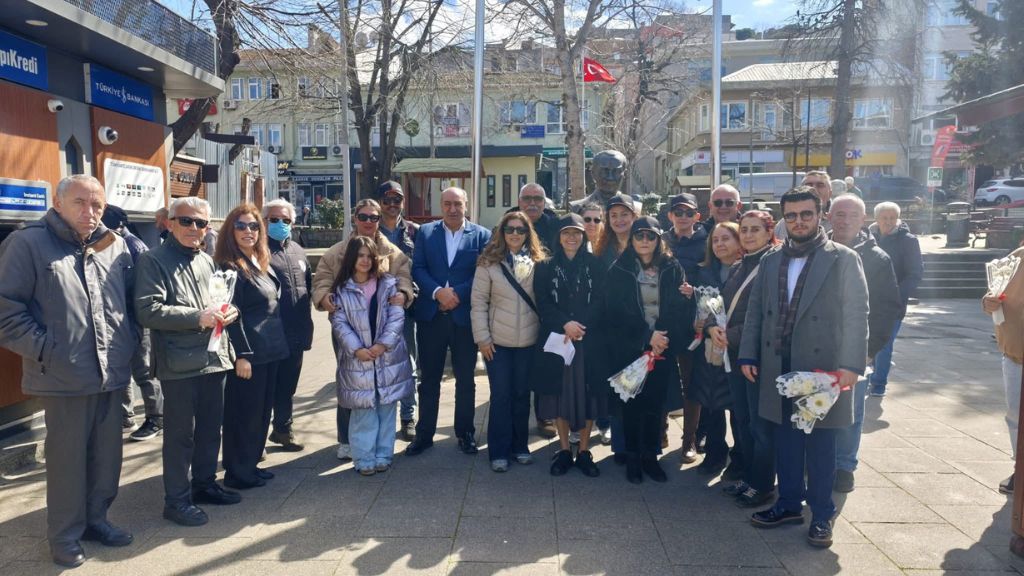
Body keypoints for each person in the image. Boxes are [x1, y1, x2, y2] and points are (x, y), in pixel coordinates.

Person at [0, 175, 138, 567]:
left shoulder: (114, 245)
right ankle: (64, 535)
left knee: (106, 458)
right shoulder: (27, 244)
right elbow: (6, 311)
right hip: (62, 378)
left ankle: (98, 520)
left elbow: (126, 306)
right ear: (58, 204)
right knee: (67, 463)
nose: (90, 212)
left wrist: (128, 347)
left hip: (111, 374)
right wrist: (47, 349)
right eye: (80, 203)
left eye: (97, 204)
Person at [740, 186, 867, 549]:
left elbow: (857, 314)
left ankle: (822, 514)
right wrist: (748, 354)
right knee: (787, 442)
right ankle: (789, 504)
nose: (799, 221)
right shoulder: (770, 260)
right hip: (777, 365)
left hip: (823, 369)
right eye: (792, 215)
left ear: (820, 214)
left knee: (822, 446)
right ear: (784, 220)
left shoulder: (842, 258)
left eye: (806, 214)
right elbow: (755, 313)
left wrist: (851, 365)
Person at [135, 197, 242, 528]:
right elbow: (147, 310)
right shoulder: (153, 261)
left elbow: (215, 303)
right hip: (179, 365)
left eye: (201, 223)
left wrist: (228, 313)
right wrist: (200, 317)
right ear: (169, 222)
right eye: (186, 221)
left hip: (214, 357)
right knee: (181, 436)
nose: (194, 229)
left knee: (211, 430)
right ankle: (177, 500)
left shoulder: (206, 261)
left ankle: (205, 484)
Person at [313, 199, 415, 460]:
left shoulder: (392, 252)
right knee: (350, 382)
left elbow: (404, 278)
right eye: (363, 216)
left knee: (384, 386)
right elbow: (322, 278)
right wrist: (325, 298)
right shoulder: (336, 251)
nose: (368, 222)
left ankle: (380, 445)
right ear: (354, 217)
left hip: (382, 331)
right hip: (348, 329)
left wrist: (404, 293)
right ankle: (347, 438)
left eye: (374, 217)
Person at [605, 216, 692, 483]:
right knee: (631, 404)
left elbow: (678, 305)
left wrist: (662, 337)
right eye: (639, 236)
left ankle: (649, 457)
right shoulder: (619, 269)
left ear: (658, 239)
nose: (645, 241)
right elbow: (616, 312)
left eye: (650, 236)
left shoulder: (672, 266)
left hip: (662, 347)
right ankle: (632, 456)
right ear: (631, 239)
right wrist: (646, 336)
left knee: (655, 405)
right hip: (631, 348)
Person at [407, 187, 492, 456]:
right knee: (428, 379)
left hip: (463, 317)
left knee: (466, 380)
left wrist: (457, 293)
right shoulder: (426, 232)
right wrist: (437, 292)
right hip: (431, 317)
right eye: (447, 204)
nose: (452, 209)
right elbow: (417, 267)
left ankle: (465, 432)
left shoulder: (482, 235)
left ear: (466, 205)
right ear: (440, 205)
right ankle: (424, 434)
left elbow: (483, 271)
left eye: (457, 203)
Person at [828, 194, 902, 493]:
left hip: (854, 351)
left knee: (851, 412)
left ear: (863, 221)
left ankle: (845, 465)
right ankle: (818, 460)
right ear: (829, 217)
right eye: (839, 214)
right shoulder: (814, 251)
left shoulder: (877, 258)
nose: (844, 220)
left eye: (852, 215)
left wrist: (869, 352)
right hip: (817, 347)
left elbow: (887, 309)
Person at [214, 204, 289, 489]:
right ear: (230, 231)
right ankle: (238, 471)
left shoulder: (258, 262)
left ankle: (251, 464)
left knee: (261, 412)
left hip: (270, 350)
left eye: (254, 226)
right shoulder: (230, 267)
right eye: (241, 226)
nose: (249, 231)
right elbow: (231, 313)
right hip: (250, 355)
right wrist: (242, 354)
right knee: (243, 414)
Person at [707, 210, 778, 507]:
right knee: (743, 420)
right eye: (745, 230)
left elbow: (763, 314)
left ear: (768, 231)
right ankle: (749, 478)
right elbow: (723, 305)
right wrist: (713, 326)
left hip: (756, 356)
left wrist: (730, 335)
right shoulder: (741, 265)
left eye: (755, 230)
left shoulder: (772, 263)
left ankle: (762, 484)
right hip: (734, 354)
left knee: (759, 425)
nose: (748, 235)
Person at [331, 236, 414, 475]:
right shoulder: (342, 289)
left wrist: (382, 345)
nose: (365, 260)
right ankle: (364, 458)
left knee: (387, 409)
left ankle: (383, 455)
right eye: (360, 255)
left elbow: (396, 317)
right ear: (351, 259)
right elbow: (339, 322)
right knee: (363, 412)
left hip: (387, 358)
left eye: (369, 256)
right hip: (358, 360)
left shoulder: (388, 284)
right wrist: (356, 348)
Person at [534, 214, 608, 477]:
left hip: (589, 339)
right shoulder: (545, 266)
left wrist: (580, 325)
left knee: (588, 394)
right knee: (559, 394)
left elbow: (600, 300)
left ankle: (585, 450)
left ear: (584, 236)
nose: (572, 238)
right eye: (566, 233)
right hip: (558, 338)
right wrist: (566, 324)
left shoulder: (596, 264)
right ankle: (565, 449)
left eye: (576, 233)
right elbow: (542, 302)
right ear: (558, 236)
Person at [471, 211, 545, 472]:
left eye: (520, 230)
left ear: (528, 233)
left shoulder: (539, 261)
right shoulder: (488, 262)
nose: (515, 234)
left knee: (522, 395)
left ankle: (520, 445)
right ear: (502, 232)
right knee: (501, 395)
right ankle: (498, 450)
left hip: (528, 340)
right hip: (497, 342)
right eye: (510, 229)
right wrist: (482, 338)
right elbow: (479, 302)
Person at [102, 204, 164, 441]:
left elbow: (142, 287)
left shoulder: (133, 246)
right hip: (119, 319)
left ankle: (156, 418)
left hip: (136, 320)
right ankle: (126, 415)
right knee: (121, 369)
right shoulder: (111, 243)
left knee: (143, 370)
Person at [691, 222, 744, 478]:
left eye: (727, 238)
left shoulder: (747, 269)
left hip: (736, 346)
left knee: (736, 407)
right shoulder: (703, 272)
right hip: (709, 347)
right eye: (715, 240)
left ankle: (740, 458)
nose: (720, 244)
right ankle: (715, 453)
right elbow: (697, 305)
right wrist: (699, 322)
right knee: (711, 404)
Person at [264, 199, 314, 452]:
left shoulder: (297, 249)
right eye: (274, 219)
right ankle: (256, 439)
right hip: (269, 332)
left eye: (285, 220)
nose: (280, 224)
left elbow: (308, 286)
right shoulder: (258, 250)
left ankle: (283, 429)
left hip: (296, 329)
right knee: (265, 388)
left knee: (288, 385)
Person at [662, 192, 707, 462]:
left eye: (688, 212)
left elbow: (716, 281)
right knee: (660, 379)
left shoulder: (707, 242)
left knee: (692, 384)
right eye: (678, 212)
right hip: (664, 323)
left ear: (697, 216)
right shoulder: (660, 240)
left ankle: (688, 440)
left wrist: (697, 291)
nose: (683, 217)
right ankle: (661, 430)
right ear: (670, 216)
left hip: (694, 325)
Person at [376, 181, 420, 440]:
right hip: (375, 309)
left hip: (407, 307)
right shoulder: (369, 228)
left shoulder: (415, 232)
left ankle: (408, 416)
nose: (392, 205)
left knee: (409, 363)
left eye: (397, 200)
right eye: (387, 200)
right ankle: (383, 417)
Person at [868, 201, 924, 398]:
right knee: (869, 342)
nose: (889, 222)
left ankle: (878, 383)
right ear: (876, 219)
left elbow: (915, 273)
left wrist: (897, 294)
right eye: (885, 218)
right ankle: (871, 374)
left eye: (893, 218)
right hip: (868, 301)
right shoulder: (868, 238)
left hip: (893, 304)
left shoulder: (908, 240)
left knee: (884, 344)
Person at [982, 242, 1024, 494]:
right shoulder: (1018, 256)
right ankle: (1020, 470)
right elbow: (993, 292)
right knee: (1016, 417)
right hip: (1016, 354)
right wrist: (988, 302)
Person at [775, 171, 833, 240]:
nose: (814, 189)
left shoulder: (840, 219)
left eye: (820, 185)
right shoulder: (784, 224)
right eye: (808, 185)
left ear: (830, 193)